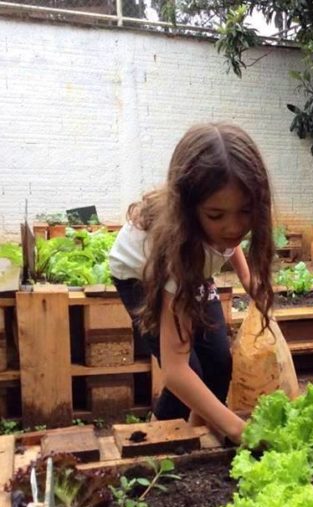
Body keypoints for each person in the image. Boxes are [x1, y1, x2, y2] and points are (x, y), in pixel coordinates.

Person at [109, 122, 275, 444]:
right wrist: (240, 430)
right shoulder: (177, 252)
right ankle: (158, 440)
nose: (233, 227)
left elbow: (227, 239)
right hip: (142, 276)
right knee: (190, 374)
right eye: (216, 216)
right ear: (189, 210)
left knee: (218, 361)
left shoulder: (219, 223)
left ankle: (198, 432)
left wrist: (245, 276)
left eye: (245, 212)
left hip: (194, 267)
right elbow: (175, 370)